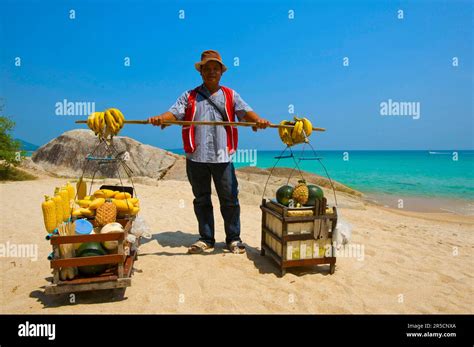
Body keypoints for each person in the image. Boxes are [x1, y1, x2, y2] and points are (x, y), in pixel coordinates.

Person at [148, 50, 270, 254]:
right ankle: (206, 238)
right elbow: (173, 114)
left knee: (230, 199)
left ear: (221, 72)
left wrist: (258, 120)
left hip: (222, 156)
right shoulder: (189, 96)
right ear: (201, 72)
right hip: (196, 156)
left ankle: (233, 239)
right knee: (202, 199)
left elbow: (246, 113)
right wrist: (161, 118)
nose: (212, 72)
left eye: (216, 68)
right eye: (208, 68)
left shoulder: (231, 95)